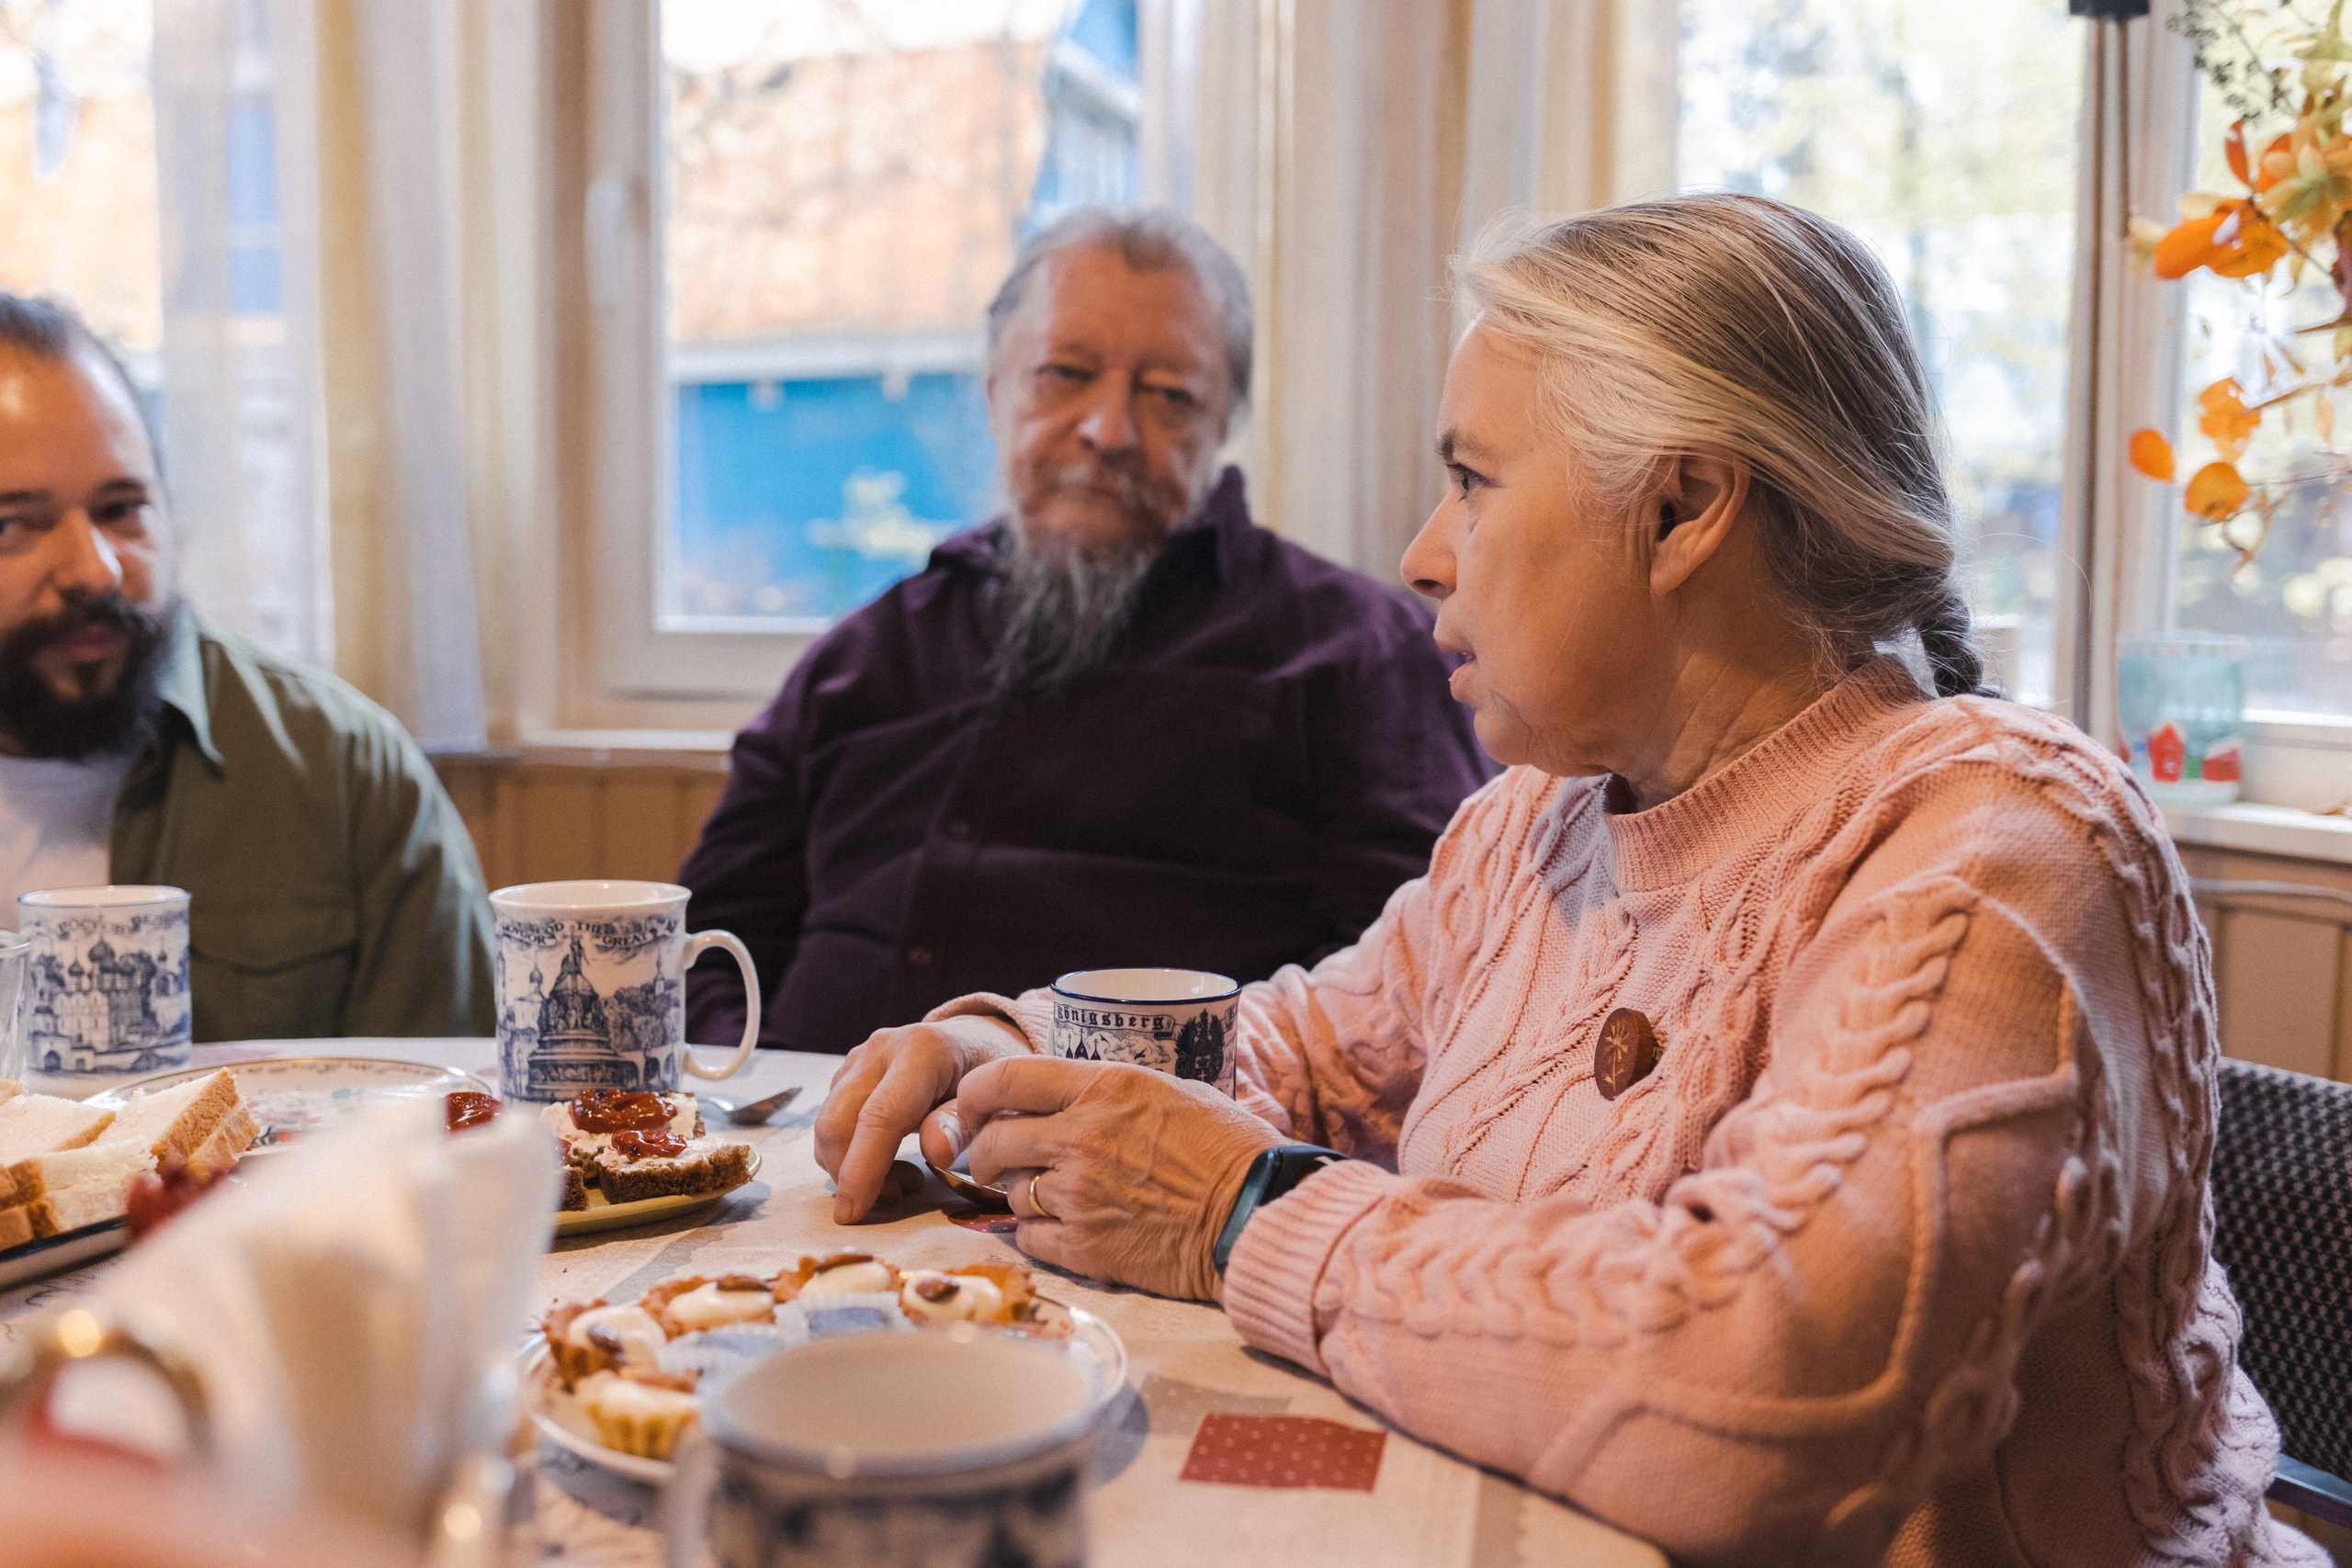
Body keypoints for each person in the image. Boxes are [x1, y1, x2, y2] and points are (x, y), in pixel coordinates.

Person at [814, 197, 2324, 1564]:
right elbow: (1295, 1055)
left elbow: (1767, 1392)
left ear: (1684, 507)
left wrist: (1242, 1212)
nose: (1418, 553)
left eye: (1472, 480)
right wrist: (1008, 1059)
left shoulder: (1998, 843)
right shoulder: (1535, 823)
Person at [679, 207, 1488, 1055]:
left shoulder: (1355, 654)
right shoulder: (864, 655)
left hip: (1130, 1167)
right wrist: (764, 1109)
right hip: (804, 1148)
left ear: (1222, 425)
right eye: (1064, 373)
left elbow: (1393, 998)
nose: (1108, 430)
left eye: (1168, 394)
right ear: (995, 395)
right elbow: (704, 948)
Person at [0, 294, 494, 1041]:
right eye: (14, 524)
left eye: (122, 508)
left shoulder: (343, 773)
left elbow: (462, 1120)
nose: (94, 570)